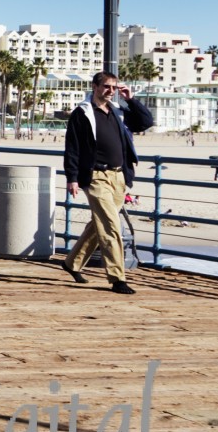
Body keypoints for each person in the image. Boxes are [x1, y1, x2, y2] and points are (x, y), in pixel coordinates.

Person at [62, 71, 156, 294]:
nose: (110, 91)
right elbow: (72, 147)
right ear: (95, 86)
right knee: (111, 226)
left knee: (100, 224)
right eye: (106, 86)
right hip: (96, 177)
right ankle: (117, 278)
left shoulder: (118, 112)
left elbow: (145, 122)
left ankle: (71, 263)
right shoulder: (82, 113)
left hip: (119, 176)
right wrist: (72, 178)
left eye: (114, 87)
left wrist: (130, 99)